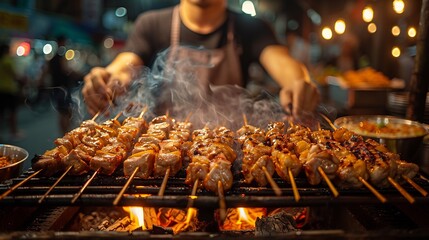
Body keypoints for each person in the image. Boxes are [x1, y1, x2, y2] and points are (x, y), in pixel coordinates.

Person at [82, 0, 319, 118]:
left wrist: (298, 82)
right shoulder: (151, 23)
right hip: (163, 156)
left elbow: (282, 62)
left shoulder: (251, 28)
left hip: (229, 155)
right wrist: (110, 78)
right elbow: (125, 65)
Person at [49, 35, 77, 135]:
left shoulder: (52, 56)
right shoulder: (61, 55)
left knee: (63, 112)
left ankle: (65, 134)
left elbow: (46, 71)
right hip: (63, 88)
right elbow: (66, 69)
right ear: (62, 42)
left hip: (55, 87)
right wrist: (77, 73)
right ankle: (66, 135)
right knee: (65, 113)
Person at [0, 43, 22, 141]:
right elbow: (15, 75)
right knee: (12, 112)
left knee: (1, 113)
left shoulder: (1, 60)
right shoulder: (8, 60)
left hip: (1, 90)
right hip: (9, 89)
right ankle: (13, 132)